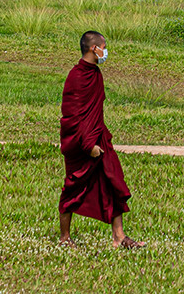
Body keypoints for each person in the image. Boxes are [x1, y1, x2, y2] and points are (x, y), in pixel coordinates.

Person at [59, 31, 142, 248]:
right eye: (103, 47)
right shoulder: (76, 76)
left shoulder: (95, 73)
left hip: (99, 137)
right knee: (73, 187)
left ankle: (119, 237)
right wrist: (88, 146)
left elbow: (94, 110)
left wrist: (96, 141)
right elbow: (73, 115)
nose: (105, 52)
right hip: (82, 144)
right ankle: (64, 237)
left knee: (112, 181)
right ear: (92, 49)